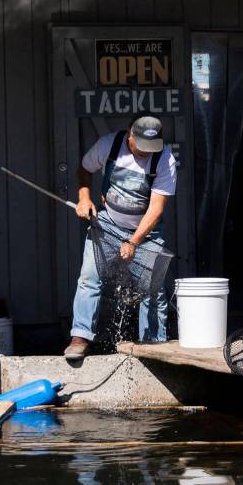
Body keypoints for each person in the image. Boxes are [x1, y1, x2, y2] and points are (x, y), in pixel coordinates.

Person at [65, 116, 178, 360]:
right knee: (88, 278)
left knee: (153, 290)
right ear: (130, 136)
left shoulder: (165, 159)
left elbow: (157, 209)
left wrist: (134, 242)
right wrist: (84, 198)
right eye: (142, 148)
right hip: (108, 224)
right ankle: (80, 337)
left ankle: (153, 349)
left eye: (152, 149)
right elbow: (84, 170)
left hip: (146, 233)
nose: (146, 153)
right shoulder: (109, 145)